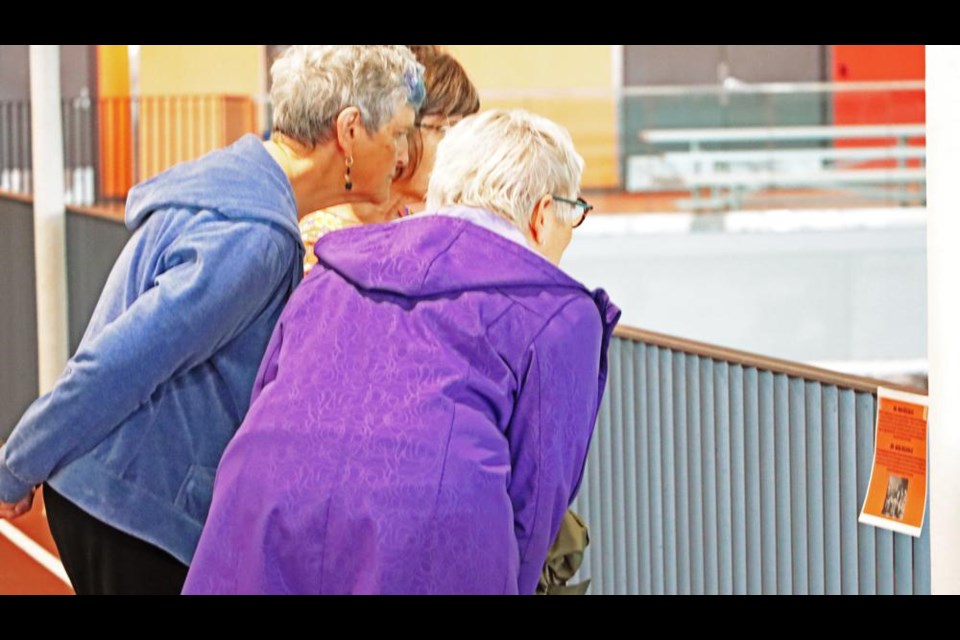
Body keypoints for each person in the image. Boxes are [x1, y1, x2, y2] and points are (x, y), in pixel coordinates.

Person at [0, 45, 425, 595]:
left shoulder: (234, 188)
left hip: (110, 495)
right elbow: (120, 362)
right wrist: (19, 461)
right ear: (349, 131)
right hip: (132, 509)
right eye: (396, 134)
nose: (400, 155)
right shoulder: (253, 239)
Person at [182, 108, 621, 595]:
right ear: (542, 216)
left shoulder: (337, 264)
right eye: (572, 216)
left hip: (259, 505)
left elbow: (268, 388)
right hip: (427, 539)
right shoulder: (558, 313)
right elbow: (535, 505)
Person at [300, 45, 480, 274]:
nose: (460, 146)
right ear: (401, 127)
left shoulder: (424, 225)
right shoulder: (320, 241)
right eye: (444, 129)